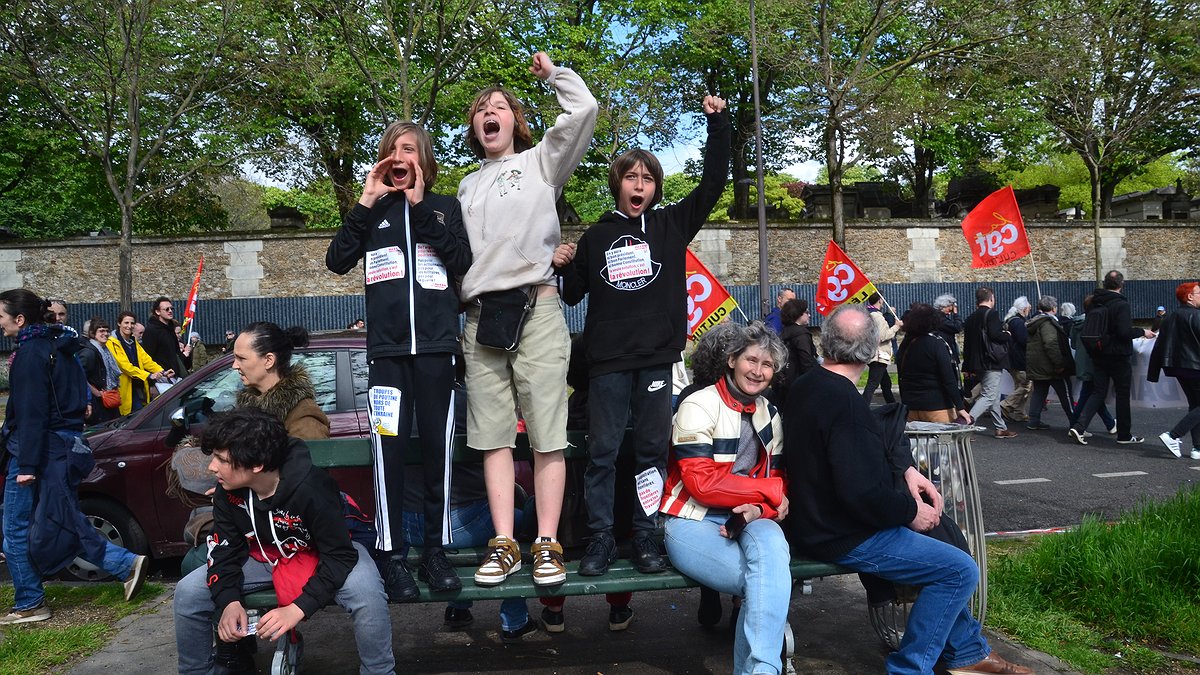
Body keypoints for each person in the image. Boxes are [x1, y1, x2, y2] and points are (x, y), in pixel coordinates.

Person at [783, 304, 1032, 675]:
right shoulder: (844, 401)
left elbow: (859, 455)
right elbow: (861, 494)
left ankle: (967, 654)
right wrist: (913, 513)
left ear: (825, 343)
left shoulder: (805, 385)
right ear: (871, 351)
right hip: (839, 532)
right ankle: (910, 668)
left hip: (813, 519)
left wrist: (907, 470)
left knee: (944, 541)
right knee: (959, 569)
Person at [556, 93, 730, 580]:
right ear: (618, 184)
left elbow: (714, 182)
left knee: (652, 452)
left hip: (656, 359)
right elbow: (571, 296)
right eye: (632, 177)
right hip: (607, 362)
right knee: (603, 453)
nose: (640, 185)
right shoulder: (595, 236)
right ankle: (600, 537)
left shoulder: (671, 224)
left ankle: (646, 533)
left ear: (655, 187)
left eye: (648, 178)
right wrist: (563, 264)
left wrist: (719, 126)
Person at [456, 51, 598, 588]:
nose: (489, 113)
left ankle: (546, 543)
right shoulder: (466, 187)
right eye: (481, 110)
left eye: (500, 107)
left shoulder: (542, 162)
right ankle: (503, 543)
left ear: (516, 120)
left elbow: (583, 111)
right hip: (482, 317)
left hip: (536, 309)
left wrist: (554, 75)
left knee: (546, 435)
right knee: (493, 437)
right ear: (475, 127)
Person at [326, 120, 471, 600]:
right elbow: (336, 260)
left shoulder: (446, 208)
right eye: (392, 150)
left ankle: (435, 550)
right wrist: (366, 199)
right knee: (387, 455)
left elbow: (460, 261)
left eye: (409, 149)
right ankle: (391, 556)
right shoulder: (372, 211)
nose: (400, 157)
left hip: (436, 353)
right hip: (387, 356)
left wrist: (419, 206)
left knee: (437, 455)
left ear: (422, 159)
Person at [172, 408, 394, 675]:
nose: (212, 467)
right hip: (264, 554)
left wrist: (297, 609)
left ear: (256, 465)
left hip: (326, 553)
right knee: (188, 592)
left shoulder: (313, 488)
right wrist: (229, 601)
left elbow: (340, 556)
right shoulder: (226, 492)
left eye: (222, 460)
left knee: (366, 591)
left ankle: (379, 671)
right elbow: (224, 551)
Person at [0, 289, 148, 625]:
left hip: (36, 452)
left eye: (1, 316)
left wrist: (25, 466)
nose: (0, 323)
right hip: (64, 446)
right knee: (61, 517)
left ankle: (30, 602)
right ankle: (124, 564)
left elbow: (30, 413)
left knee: (16, 529)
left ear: (20, 319)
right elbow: (80, 402)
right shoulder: (62, 347)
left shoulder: (30, 353)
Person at [662, 322, 792, 675]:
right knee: (763, 582)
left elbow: (776, 482)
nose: (758, 371)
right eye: (752, 360)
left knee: (772, 551)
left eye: (768, 365)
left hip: (748, 515)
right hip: (692, 519)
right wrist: (770, 494)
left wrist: (762, 507)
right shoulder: (698, 404)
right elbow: (702, 484)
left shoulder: (770, 412)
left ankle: (762, 670)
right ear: (732, 359)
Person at [1068, 270, 1155, 445]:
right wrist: (1142, 332)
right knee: (1122, 395)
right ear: (1121, 285)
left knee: (1098, 392)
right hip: (1118, 355)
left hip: (1099, 353)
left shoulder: (1095, 302)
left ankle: (1079, 427)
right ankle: (1124, 435)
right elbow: (1124, 332)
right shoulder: (1121, 304)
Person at [232, 322, 330, 440]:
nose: (234, 365)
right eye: (235, 358)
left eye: (241, 358)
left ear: (269, 360)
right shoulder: (247, 407)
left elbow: (311, 457)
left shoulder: (304, 417)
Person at [1148, 281, 1200, 459]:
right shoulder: (1197, 316)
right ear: (1190, 297)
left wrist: (1153, 372)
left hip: (1178, 367)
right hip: (1195, 366)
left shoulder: (1170, 317)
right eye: (1199, 293)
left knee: (1195, 405)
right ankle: (1173, 435)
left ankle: (1197, 448)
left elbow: (1160, 345)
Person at [895, 303, 970, 424]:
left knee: (916, 442)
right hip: (937, 405)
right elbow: (948, 378)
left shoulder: (905, 345)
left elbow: (901, 376)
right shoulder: (936, 344)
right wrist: (960, 406)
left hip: (911, 405)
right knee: (942, 442)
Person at [962, 287, 1017, 439]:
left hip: (976, 362)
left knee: (994, 394)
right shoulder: (992, 314)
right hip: (991, 361)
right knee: (988, 396)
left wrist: (966, 366)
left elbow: (967, 344)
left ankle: (1000, 427)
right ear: (991, 298)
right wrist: (1007, 334)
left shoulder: (971, 317)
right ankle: (965, 425)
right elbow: (995, 335)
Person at [1069, 295, 1117, 437]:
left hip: (1081, 362)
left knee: (1091, 394)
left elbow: (1073, 344)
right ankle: (1076, 425)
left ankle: (1109, 424)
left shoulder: (1076, 324)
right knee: (1091, 396)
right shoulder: (1095, 323)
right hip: (1092, 362)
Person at [1024, 296, 1075, 431]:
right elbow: (1051, 344)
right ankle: (1075, 422)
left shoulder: (1035, 322)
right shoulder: (1047, 323)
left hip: (1038, 365)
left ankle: (1033, 420)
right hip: (1050, 366)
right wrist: (1059, 364)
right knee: (1065, 394)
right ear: (1053, 308)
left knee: (1039, 392)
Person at [107, 310, 171, 415]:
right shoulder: (112, 343)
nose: (129, 326)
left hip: (138, 387)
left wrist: (162, 372)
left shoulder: (133, 342)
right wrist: (149, 375)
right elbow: (124, 366)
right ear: (119, 324)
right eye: (126, 323)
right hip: (123, 388)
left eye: (132, 323)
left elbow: (146, 360)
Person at [77, 317, 121, 425]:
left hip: (108, 399)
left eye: (107, 331)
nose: (105, 334)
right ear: (92, 333)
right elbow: (79, 376)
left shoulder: (106, 350)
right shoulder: (89, 353)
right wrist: (97, 393)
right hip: (97, 403)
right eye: (101, 331)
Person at [774, 297, 817, 408]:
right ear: (798, 314)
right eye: (806, 312)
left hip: (783, 383)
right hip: (800, 384)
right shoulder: (801, 335)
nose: (809, 315)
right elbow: (806, 361)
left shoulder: (783, 332)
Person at [863, 293, 902, 404]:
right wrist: (896, 327)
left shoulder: (869, 314)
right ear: (880, 300)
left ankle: (892, 406)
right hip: (879, 355)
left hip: (874, 354)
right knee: (872, 384)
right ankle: (861, 409)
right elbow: (883, 336)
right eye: (882, 299)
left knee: (886, 383)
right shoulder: (877, 316)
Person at [999, 297, 1032, 422]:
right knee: (1026, 386)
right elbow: (1024, 340)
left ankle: (1019, 412)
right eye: (1029, 308)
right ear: (1024, 309)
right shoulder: (1018, 323)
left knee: (1020, 385)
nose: (1029, 310)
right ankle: (1006, 405)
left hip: (1012, 359)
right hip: (1019, 360)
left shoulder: (1010, 320)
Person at [142, 296, 191, 377]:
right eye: (166, 309)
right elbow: (148, 357)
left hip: (176, 377)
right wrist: (161, 372)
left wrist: (185, 355)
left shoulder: (171, 329)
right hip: (162, 377)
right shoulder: (151, 331)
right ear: (157, 311)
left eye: (171, 308)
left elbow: (175, 354)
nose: (170, 311)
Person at [933, 293, 963, 367]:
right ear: (943, 306)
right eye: (950, 307)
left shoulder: (939, 317)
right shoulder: (940, 319)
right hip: (946, 353)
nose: (951, 309)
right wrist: (956, 314)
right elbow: (957, 327)